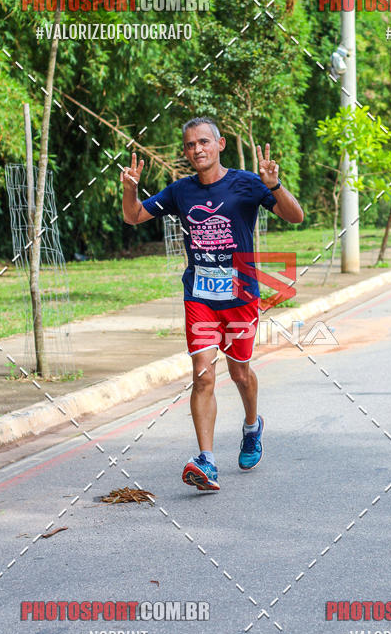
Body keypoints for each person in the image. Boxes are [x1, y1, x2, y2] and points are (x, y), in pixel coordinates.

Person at [120, 117, 304, 492]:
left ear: (219, 145)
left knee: (239, 374)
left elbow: (295, 216)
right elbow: (134, 216)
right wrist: (130, 190)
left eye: (203, 142)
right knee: (203, 374)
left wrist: (275, 186)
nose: (197, 149)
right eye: (190, 145)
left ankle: (252, 426)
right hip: (199, 296)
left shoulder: (247, 184)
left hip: (241, 295)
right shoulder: (180, 191)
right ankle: (207, 461)